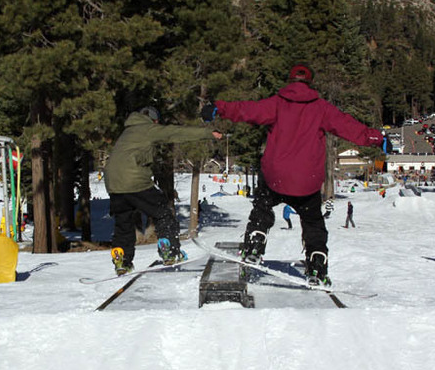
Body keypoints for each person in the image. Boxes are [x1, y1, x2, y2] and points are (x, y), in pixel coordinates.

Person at [201, 64, 386, 285]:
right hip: (306, 182)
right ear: (310, 83)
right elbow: (350, 127)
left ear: (290, 80)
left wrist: (218, 108)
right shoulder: (322, 109)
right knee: (313, 222)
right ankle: (317, 260)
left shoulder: (276, 104)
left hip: (276, 178)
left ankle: (256, 239)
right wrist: (378, 139)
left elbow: (247, 110)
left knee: (262, 205)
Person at [105, 106, 222, 275]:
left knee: (123, 222)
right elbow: (174, 132)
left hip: (113, 183)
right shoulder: (147, 128)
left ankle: (122, 259)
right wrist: (208, 133)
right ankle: (170, 249)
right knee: (163, 212)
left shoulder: (127, 132)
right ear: (153, 120)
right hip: (134, 179)